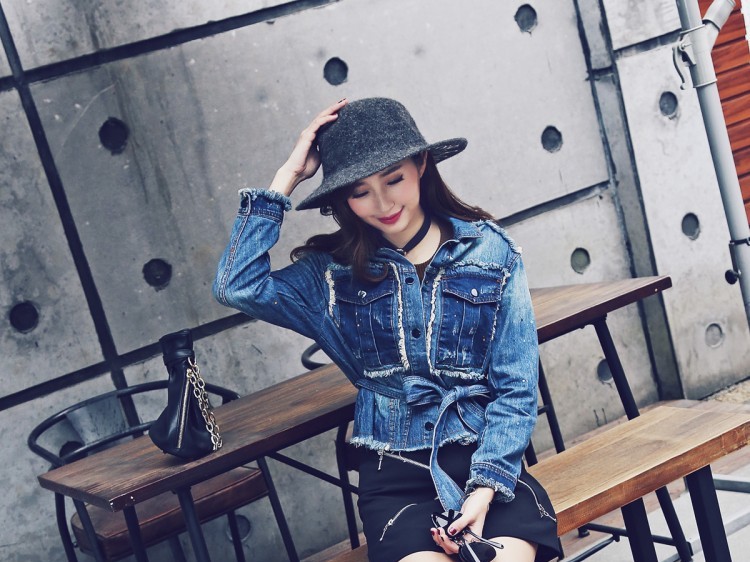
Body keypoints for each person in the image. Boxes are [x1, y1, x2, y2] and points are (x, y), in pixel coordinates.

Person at [213, 97, 560, 562]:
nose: (383, 203)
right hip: (395, 474)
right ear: (342, 199)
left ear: (421, 165)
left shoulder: (491, 252)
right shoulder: (330, 275)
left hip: (486, 465)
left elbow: (516, 387)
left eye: (394, 179)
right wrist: (288, 176)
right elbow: (236, 285)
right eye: (360, 192)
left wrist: (485, 488)